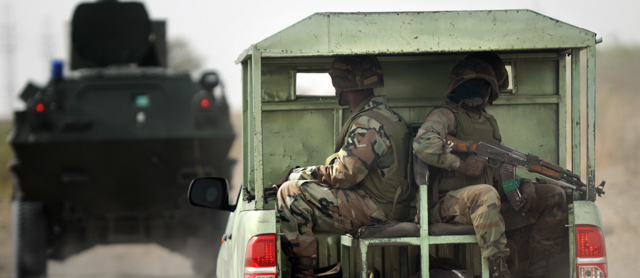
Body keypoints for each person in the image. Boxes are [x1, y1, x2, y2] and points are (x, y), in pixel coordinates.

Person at [413, 53, 567, 278]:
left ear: (490, 91)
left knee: (554, 195)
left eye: (482, 85)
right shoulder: (445, 115)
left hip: (488, 204)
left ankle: (538, 267)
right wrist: (462, 165)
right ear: (457, 89)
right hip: (447, 206)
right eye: (470, 85)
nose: (476, 90)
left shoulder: (489, 123)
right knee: (486, 193)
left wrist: (524, 184)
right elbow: (422, 143)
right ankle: (499, 271)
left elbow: (501, 169)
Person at [276, 55, 414, 278]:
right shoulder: (385, 116)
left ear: (343, 84)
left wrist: (296, 173)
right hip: (387, 204)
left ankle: (304, 272)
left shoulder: (369, 123)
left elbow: (344, 174)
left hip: (379, 209)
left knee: (291, 192)